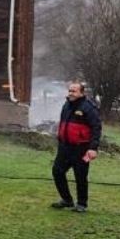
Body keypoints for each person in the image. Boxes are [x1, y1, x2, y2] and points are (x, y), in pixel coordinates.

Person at [52, 81, 102, 212]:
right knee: (57, 172)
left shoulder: (88, 107)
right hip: (64, 147)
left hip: (81, 148)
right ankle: (67, 200)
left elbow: (96, 128)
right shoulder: (66, 105)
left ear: (81, 92)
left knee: (80, 177)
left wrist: (93, 148)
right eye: (69, 91)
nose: (70, 93)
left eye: (73, 91)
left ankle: (81, 204)